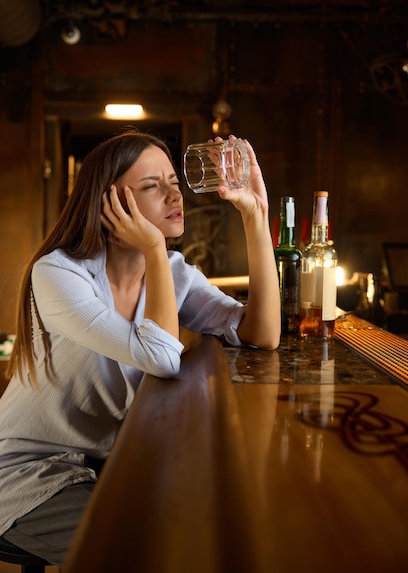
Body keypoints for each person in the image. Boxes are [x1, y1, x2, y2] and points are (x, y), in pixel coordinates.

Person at [0, 129, 280, 566]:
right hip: (23, 474)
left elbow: (262, 333)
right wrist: (152, 245)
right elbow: (162, 358)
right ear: (109, 204)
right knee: (147, 552)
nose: (175, 195)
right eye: (152, 186)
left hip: (105, 465)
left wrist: (255, 218)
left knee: (196, 530)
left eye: (174, 181)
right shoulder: (58, 273)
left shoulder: (171, 272)